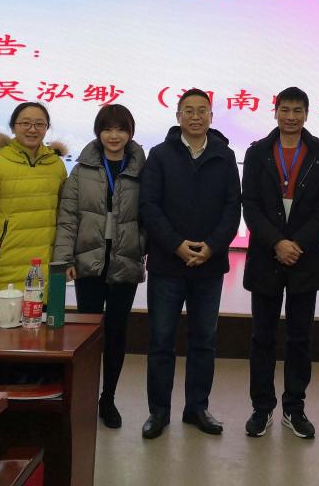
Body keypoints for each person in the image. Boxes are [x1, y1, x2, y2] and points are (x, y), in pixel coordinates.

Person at [138, 88, 242, 439]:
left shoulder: (225, 156)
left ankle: (197, 408)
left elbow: (233, 207)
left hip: (209, 266)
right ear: (178, 116)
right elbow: (149, 206)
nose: (196, 116)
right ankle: (159, 411)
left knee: (204, 341)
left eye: (202, 111)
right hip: (168, 264)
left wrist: (211, 247)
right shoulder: (160, 154)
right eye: (189, 110)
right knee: (161, 341)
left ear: (211, 116)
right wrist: (176, 245)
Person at [241, 87, 319, 439]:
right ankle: (261, 408)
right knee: (262, 337)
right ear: (276, 112)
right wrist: (277, 242)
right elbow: (250, 204)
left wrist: (297, 243)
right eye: (285, 109)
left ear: (307, 114)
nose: (291, 116)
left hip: (304, 257)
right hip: (266, 255)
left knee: (300, 338)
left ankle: (294, 408)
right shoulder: (258, 152)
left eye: (298, 110)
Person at [54, 104, 146, 429]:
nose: (114, 135)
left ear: (130, 133)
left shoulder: (142, 169)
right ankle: (85, 395)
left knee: (117, 333)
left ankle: (108, 399)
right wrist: (65, 260)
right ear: (99, 132)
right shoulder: (81, 170)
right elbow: (68, 218)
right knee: (89, 335)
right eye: (107, 129)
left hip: (125, 262)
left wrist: (140, 247)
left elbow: (150, 214)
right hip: (88, 263)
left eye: (121, 129)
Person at [0, 102, 68, 298]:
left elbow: (64, 217)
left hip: (42, 270)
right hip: (1, 270)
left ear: (46, 128)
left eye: (39, 124)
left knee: (40, 317)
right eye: (25, 123)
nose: (32, 129)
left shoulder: (56, 166)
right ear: (13, 127)